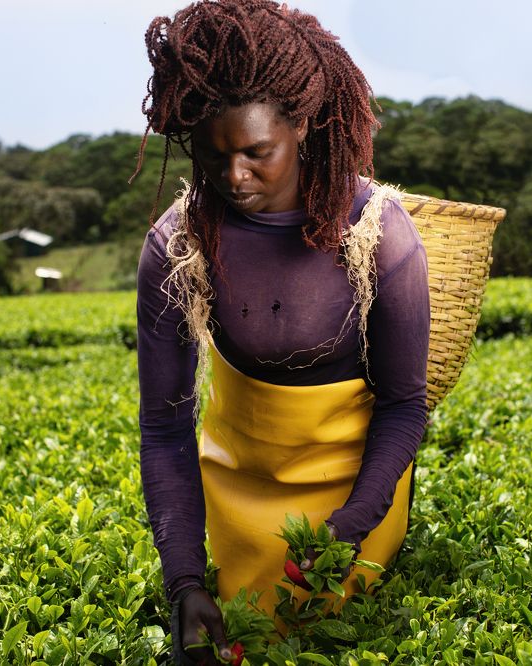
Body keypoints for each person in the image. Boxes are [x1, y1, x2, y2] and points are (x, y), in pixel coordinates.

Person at [134, 1, 429, 662]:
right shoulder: (177, 244)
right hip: (239, 502)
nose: (234, 177)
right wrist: (183, 581)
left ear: (299, 125)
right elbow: (165, 426)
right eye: (213, 158)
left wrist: (349, 529)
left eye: (255, 152)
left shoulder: (379, 234)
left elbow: (407, 405)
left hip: (358, 505)